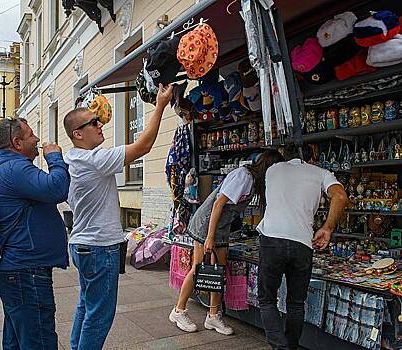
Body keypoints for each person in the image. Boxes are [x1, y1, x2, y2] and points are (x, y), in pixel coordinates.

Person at [63, 83, 173, 350]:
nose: (100, 124)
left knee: (86, 306)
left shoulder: (71, 160)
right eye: (93, 122)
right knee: (99, 315)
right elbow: (144, 146)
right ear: (78, 134)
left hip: (82, 244)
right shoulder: (94, 161)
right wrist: (159, 104)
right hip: (100, 248)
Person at [169, 150, 284, 335]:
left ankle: (213, 316)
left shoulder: (255, 182)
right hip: (207, 224)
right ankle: (178, 310)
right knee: (198, 267)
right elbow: (218, 204)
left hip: (221, 227)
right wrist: (210, 237)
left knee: (218, 270)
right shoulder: (244, 176)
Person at [0, 118, 70, 350]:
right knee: (39, 341)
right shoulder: (16, 168)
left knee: (17, 337)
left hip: (16, 269)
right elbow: (57, 189)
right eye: (32, 135)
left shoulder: (4, 167)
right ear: (17, 142)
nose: (37, 139)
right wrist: (54, 157)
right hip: (25, 271)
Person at [257, 144, 347, 350]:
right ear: (312, 157)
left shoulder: (273, 170)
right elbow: (340, 196)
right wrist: (327, 228)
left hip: (272, 239)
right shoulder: (321, 172)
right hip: (302, 242)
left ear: (285, 155)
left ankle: (280, 347)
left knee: (267, 299)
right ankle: (291, 346)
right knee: (296, 302)